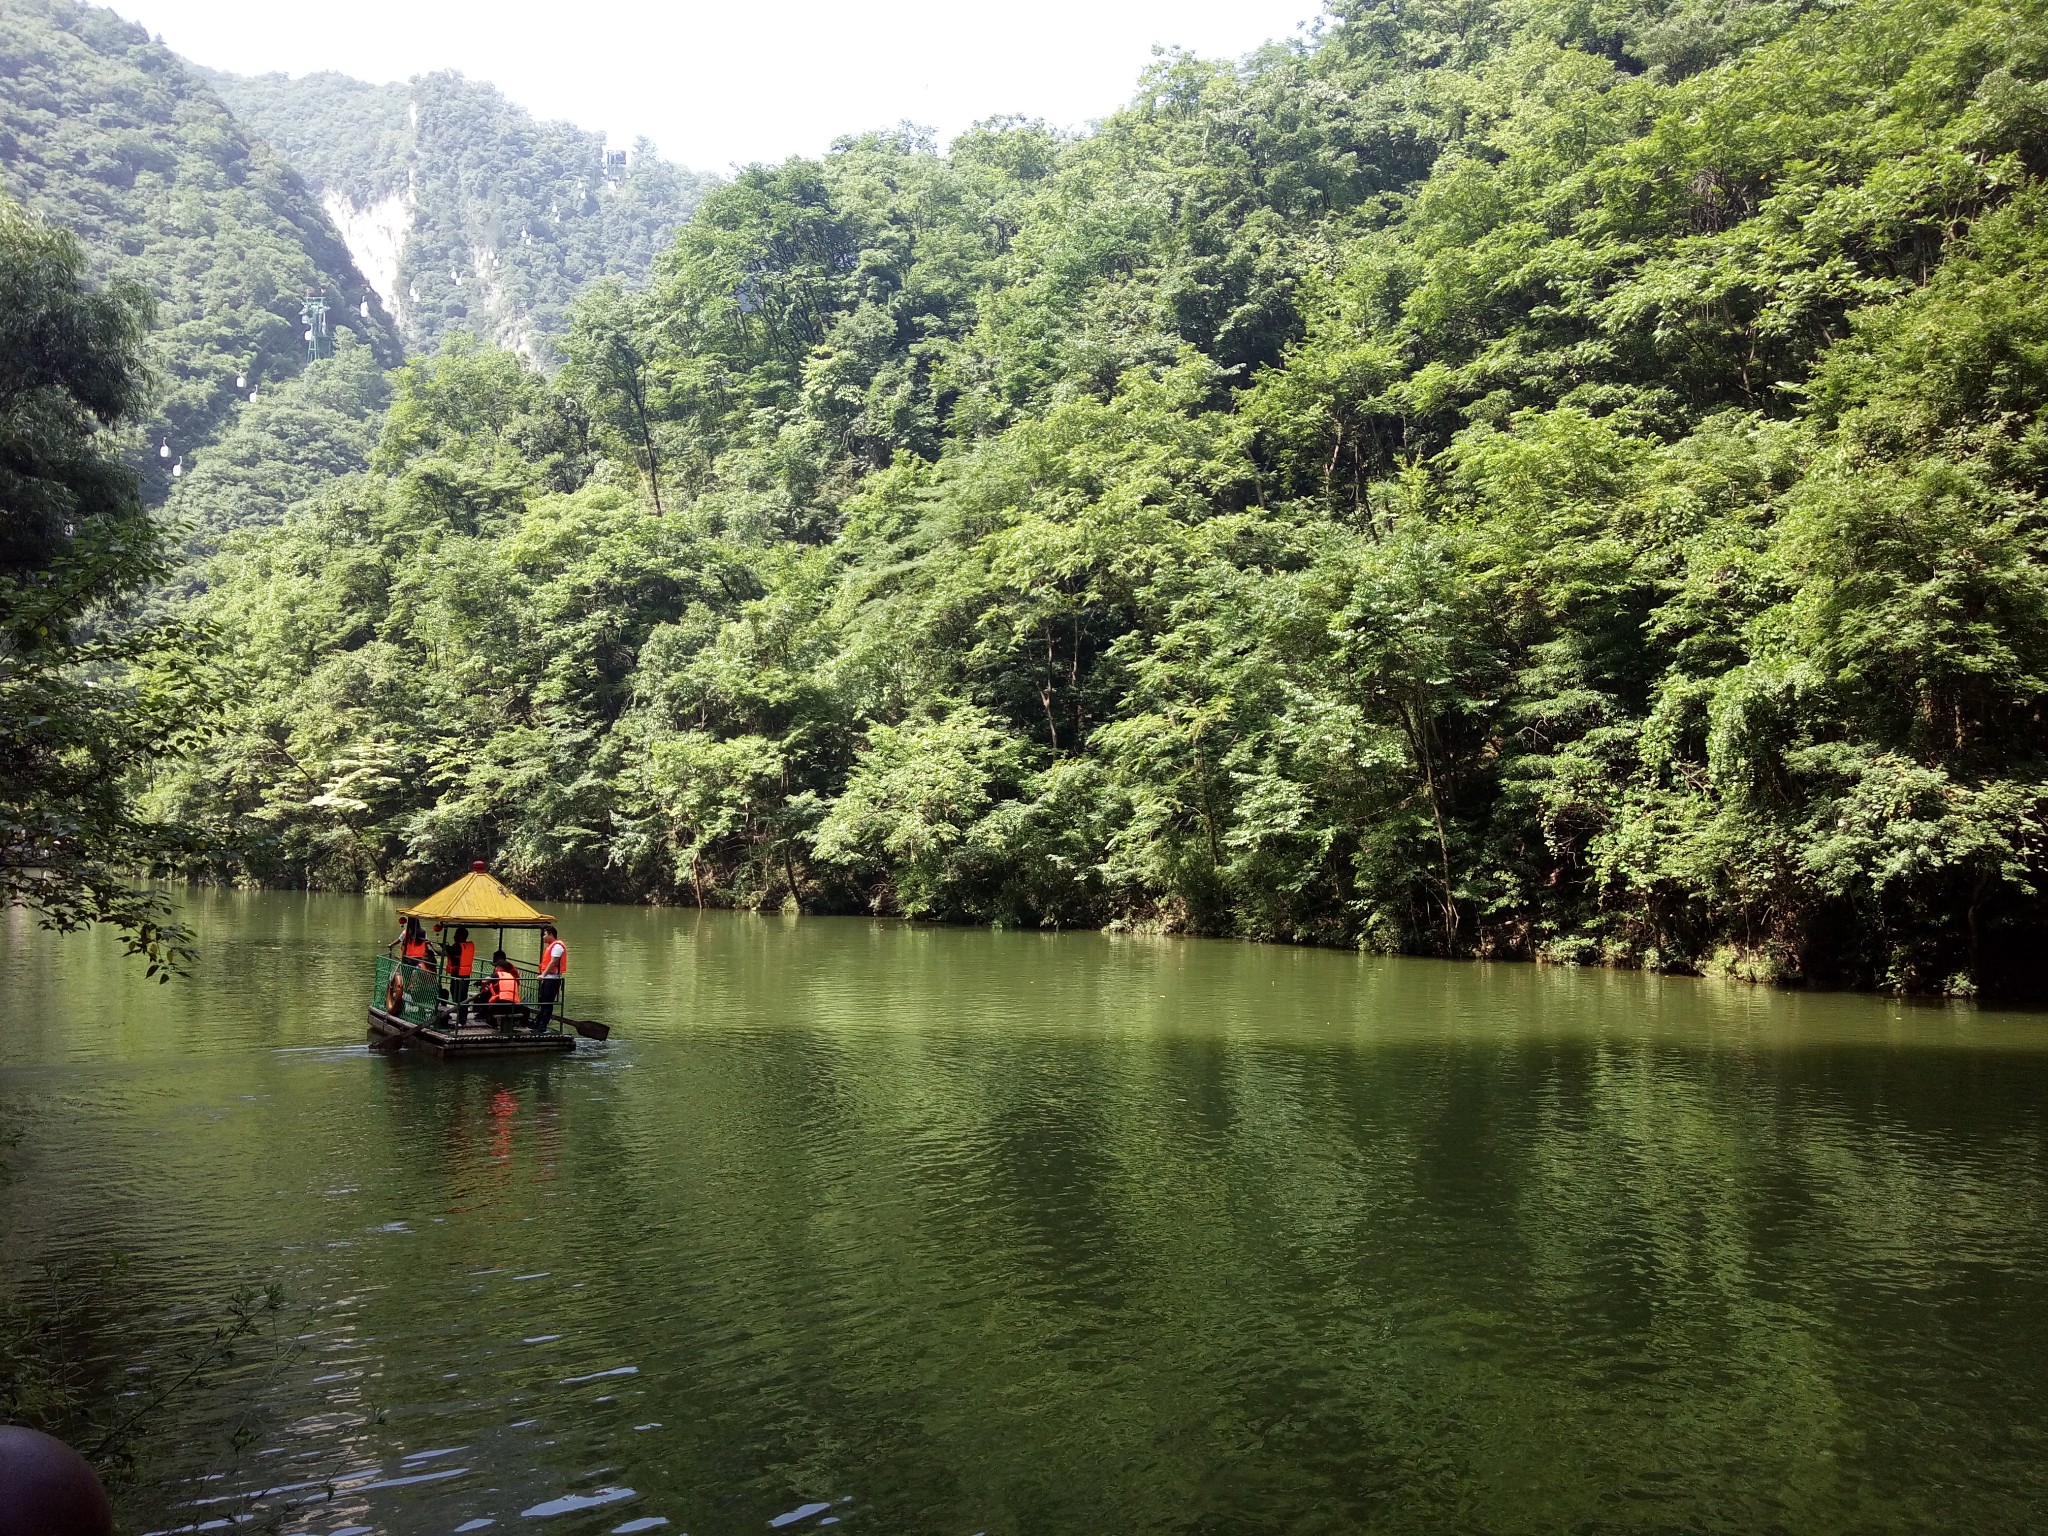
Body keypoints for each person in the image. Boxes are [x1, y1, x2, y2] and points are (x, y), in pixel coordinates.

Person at [478, 950, 529, 1030]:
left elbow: (484, 981)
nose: (495, 968)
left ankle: (492, 1023)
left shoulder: (496, 974)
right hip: (514, 1006)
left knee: (489, 1005)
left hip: (500, 1006)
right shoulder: (512, 976)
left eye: (496, 967)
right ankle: (522, 1026)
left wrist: (483, 987)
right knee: (526, 1010)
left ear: (499, 968)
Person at [535, 922, 567, 1031]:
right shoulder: (551, 946)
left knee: (547, 1003)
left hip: (552, 979)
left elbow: (553, 962)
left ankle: (542, 1026)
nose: (543, 937)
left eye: (544, 935)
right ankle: (537, 1024)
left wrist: (543, 975)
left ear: (550, 935)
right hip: (548, 978)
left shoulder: (557, 946)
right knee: (543, 1002)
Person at [443, 925, 475, 1025]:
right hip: (465, 974)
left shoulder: (457, 946)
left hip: (459, 975)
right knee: (461, 996)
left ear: (461, 936)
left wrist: (444, 946)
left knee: (459, 997)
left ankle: (461, 1019)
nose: (454, 936)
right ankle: (461, 1017)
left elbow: (450, 951)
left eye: (456, 934)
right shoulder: (467, 946)